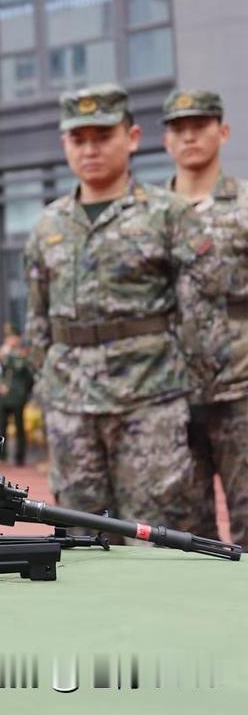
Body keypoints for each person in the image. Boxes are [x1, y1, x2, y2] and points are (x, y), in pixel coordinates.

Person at [24, 84, 227, 541]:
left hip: (149, 405)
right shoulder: (47, 225)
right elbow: (38, 320)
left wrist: (193, 399)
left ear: (132, 137)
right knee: (79, 538)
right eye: (79, 139)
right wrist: (50, 388)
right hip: (71, 409)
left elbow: (202, 316)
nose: (90, 149)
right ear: (65, 145)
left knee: (156, 533)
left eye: (103, 136)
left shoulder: (168, 214)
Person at [163, 87, 247, 545]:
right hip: (170, 396)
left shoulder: (245, 205)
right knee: (185, 531)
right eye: (179, 129)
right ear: (165, 142)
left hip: (242, 388)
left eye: (201, 126)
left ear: (224, 131)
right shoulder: (151, 213)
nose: (190, 136)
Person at [0, 331, 36, 465]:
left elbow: (22, 368)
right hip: (4, 397)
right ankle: (2, 456)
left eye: (13, 338)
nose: (10, 341)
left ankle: (20, 458)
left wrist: (26, 392)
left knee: (19, 428)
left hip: (18, 396)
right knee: (1, 428)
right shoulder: (2, 354)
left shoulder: (21, 354)